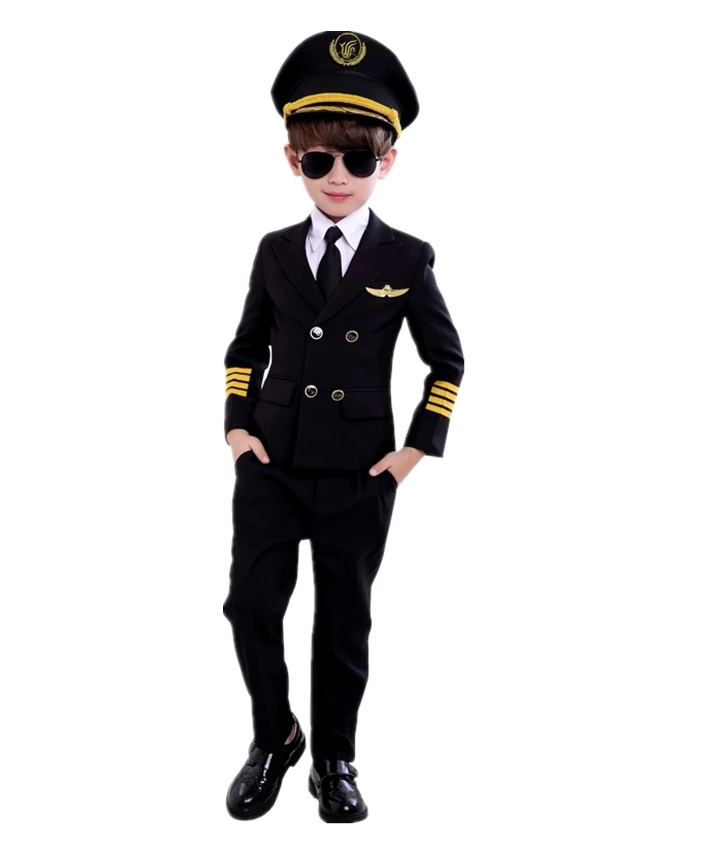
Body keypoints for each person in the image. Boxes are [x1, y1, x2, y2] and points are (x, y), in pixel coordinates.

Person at [222, 30, 464, 823]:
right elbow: (246, 348)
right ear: (292, 159)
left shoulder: (407, 257)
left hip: (360, 469)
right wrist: (238, 431)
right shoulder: (274, 251)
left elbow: (447, 361)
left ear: (387, 162)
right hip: (272, 459)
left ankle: (334, 757)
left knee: (343, 622)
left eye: (358, 160)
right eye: (319, 159)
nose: (337, 176)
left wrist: (414, 451)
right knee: (250, 606)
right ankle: (274, 737)